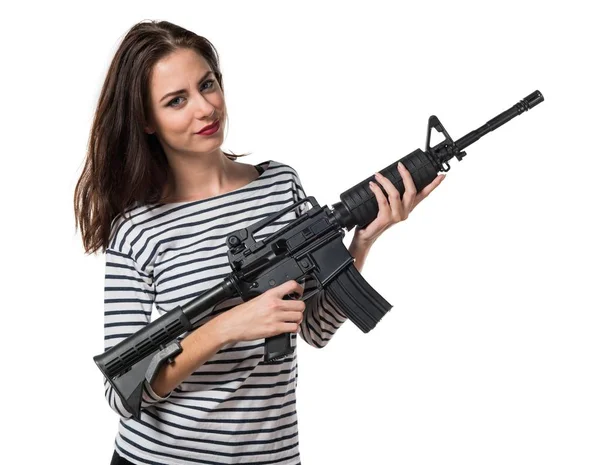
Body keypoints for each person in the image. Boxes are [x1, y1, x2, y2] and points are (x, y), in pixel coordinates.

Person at [73, 20, 445, 465]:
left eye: (207, 85)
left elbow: (313, 330)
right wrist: (228, 326)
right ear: (147, 122)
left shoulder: (279, 185)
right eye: (177, 101)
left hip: (272, 454)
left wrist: (362, 242)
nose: (205, 108)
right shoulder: (138, 228)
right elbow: (120, 390)